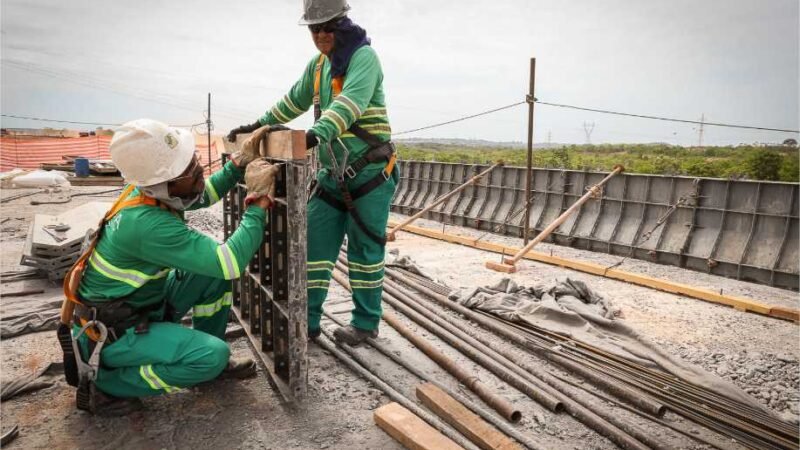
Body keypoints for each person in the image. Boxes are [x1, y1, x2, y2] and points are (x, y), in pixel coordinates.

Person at [59, 119, 281, 415]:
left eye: (193, 160)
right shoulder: (145, 225)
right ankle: (107, 384)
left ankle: (206, 359)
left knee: (208, 275)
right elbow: (230, 262)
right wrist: (258, 203)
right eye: (189, 169)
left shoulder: (147, 190)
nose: (199, 169)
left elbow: (200, 195)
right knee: (211, 354)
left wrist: (237, 164)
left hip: (139, 307)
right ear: (165, 182)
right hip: (113, 334)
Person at [228, 0, 397, 346]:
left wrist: (312, 136)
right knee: (312, 248)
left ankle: (365, 324)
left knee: (365, 253)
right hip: (332, 176)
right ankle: (308, 321)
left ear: (342, 23)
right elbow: (294, 100)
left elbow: (348, 106)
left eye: (328, 27)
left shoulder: (364, 58)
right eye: (314, 28)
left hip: (370, 175)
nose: (321, 35)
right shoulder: (319, 67)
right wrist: (258, 124)